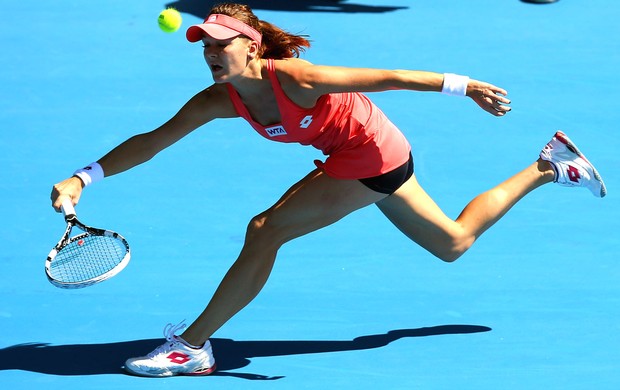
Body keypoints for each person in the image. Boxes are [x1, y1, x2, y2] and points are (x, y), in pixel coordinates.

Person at [50, 2, 606, 378]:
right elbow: (152, 141)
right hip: (366, 154)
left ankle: (191, 346)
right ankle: (549, 166)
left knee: (264, 231)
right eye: (204, 44)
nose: (211, 52)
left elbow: (386, 76)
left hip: (370, 157)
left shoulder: (297, 78)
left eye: (221, 43)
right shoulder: (219, 99)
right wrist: (83, 177)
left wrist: (468, 88)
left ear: (251, 46)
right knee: (454, 242)